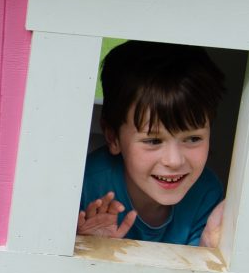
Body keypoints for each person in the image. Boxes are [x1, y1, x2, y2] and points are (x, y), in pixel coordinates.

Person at [77, 41, 226, 247]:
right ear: (113, 137)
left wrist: (208, 244)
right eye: (153, 141)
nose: (174, 161)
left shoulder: (206, 193)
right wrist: (89, 246)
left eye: (193, 139)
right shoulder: (84, 186)